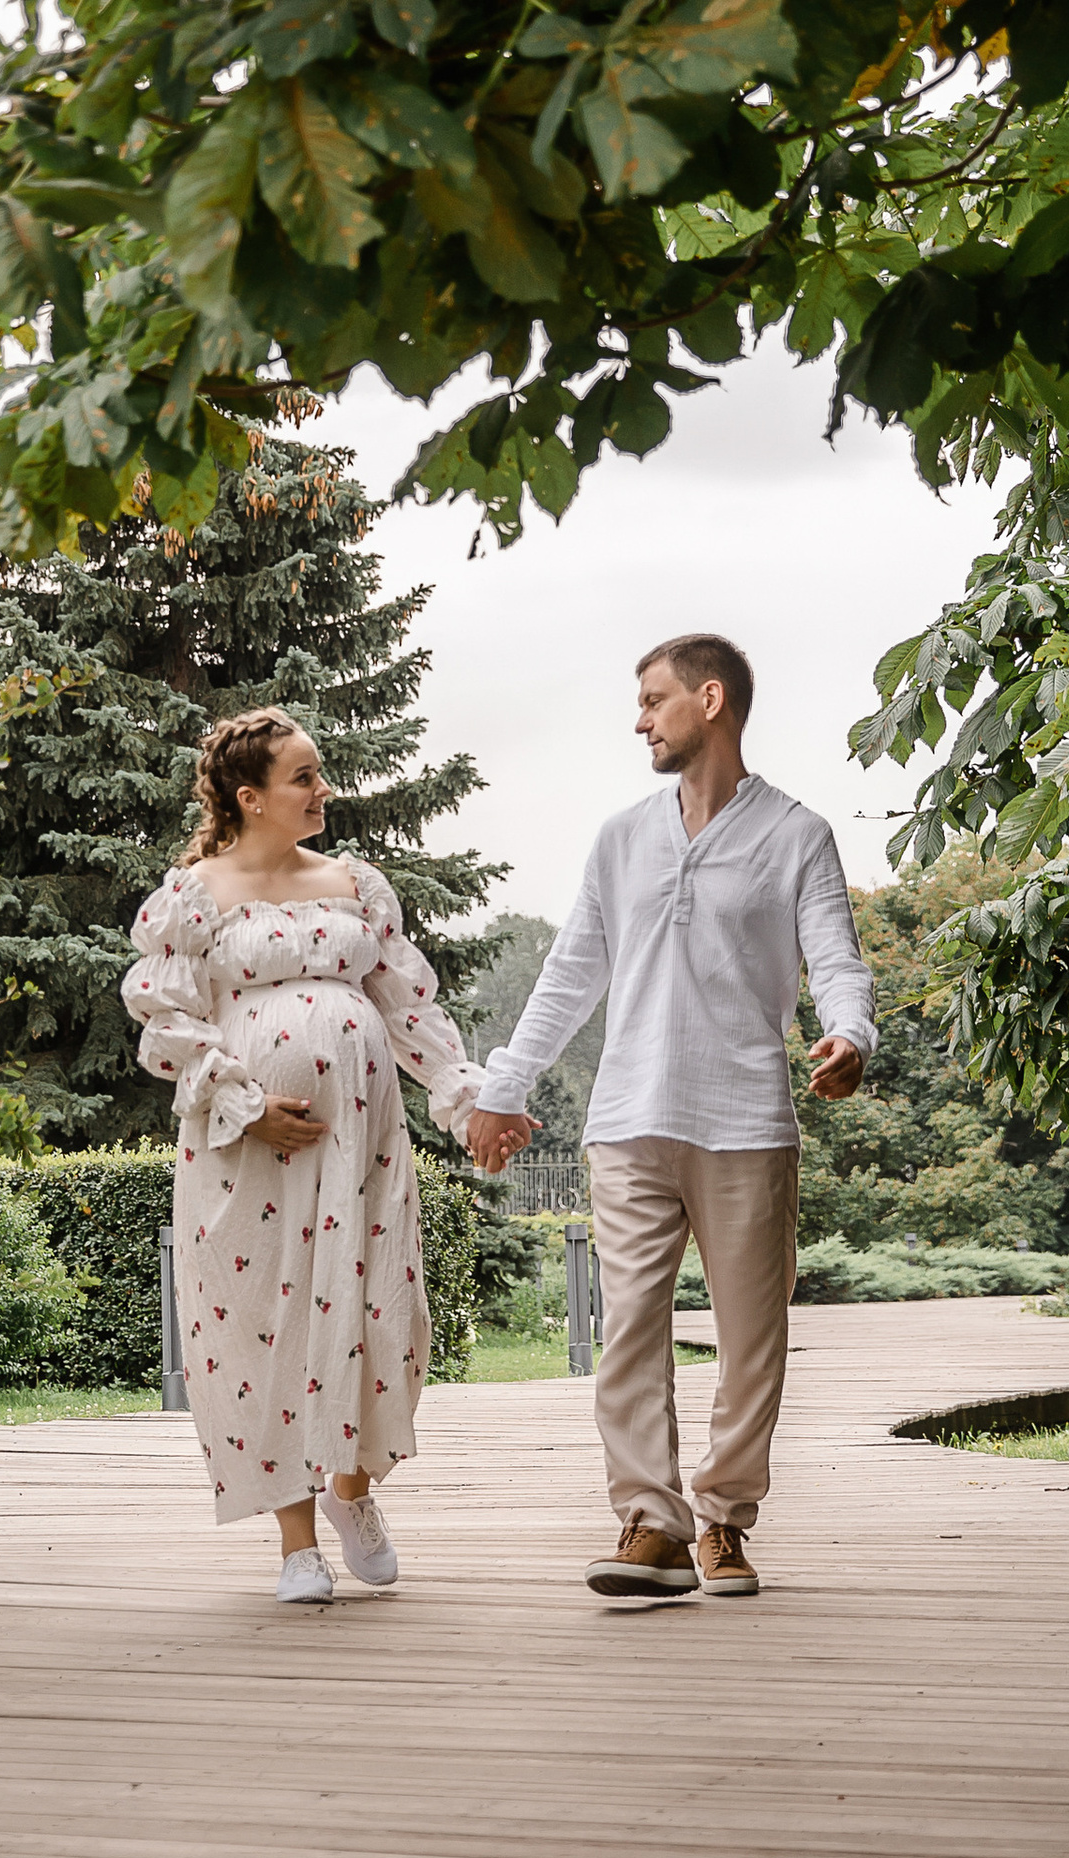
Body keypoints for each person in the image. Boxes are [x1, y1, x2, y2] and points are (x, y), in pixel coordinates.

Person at [465, 635, 875, 1606]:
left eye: (653, 700)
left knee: (750, 1339)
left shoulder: (797, 835)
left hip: (745, 1123)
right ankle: (651, 1522)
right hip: (626, 1120)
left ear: (710, 698)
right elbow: (571, 973)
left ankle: (725, 1519)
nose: (639, 718)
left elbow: (836, 956)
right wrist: (505, 1083)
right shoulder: (620, 838)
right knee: (630, 1333)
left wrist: (848, 1034)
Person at [121, 711, 484, 1604]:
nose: (324, 791)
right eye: (305, 778)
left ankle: (352, 1488)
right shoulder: (194, 894)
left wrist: (468, 1099)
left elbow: (409, 1006)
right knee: (261, 1318)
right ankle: (294, 1542)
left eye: (320, 774)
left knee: (376, 1299)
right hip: (246, 1150)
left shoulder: (357, 885)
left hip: (362, 1141)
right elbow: (165, 1016)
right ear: (251, 798)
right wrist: (242, 1105)